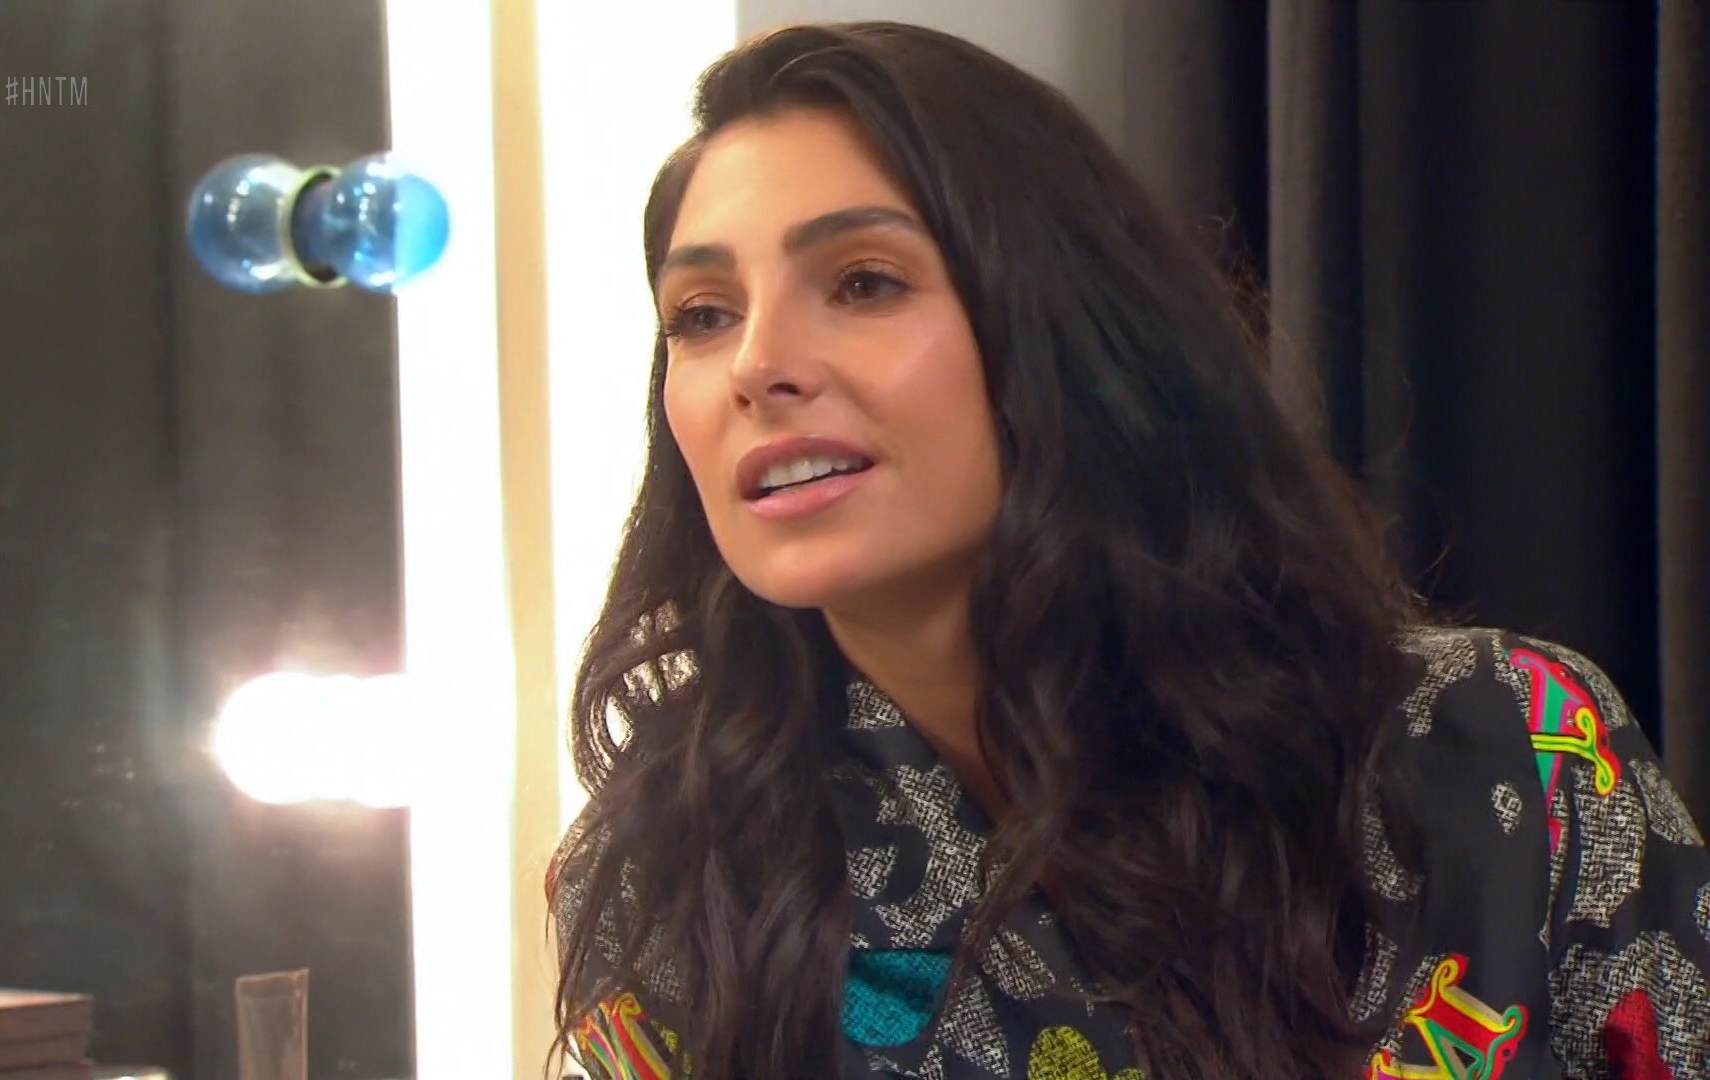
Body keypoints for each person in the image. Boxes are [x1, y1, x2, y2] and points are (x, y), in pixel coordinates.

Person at [545, 21, 1710, 1080]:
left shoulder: (1508, 750)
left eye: (863, 282)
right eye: (702, 315)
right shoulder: (668, 886)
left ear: (1064, 327)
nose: (757, 364)